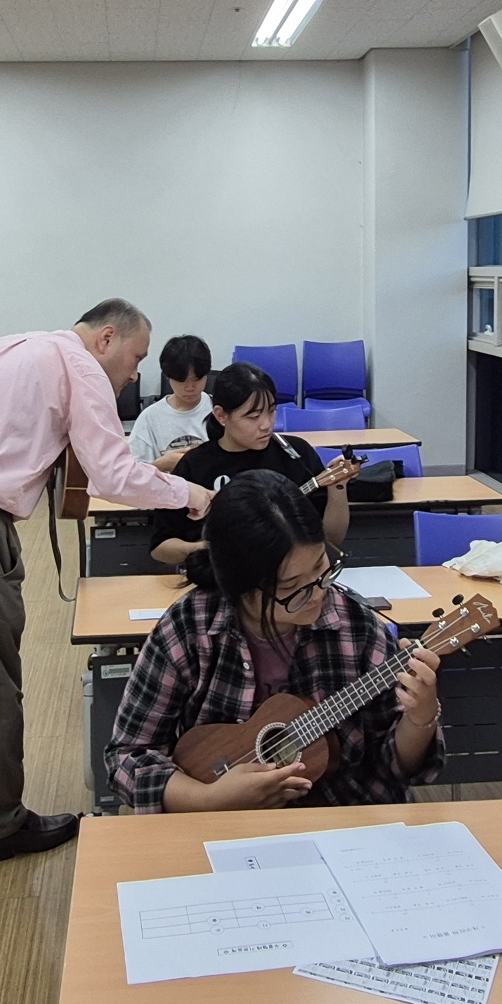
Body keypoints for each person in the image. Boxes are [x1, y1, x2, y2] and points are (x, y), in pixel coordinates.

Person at [0, 299, 213, 867]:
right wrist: (191, 494)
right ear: (106, 338)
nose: (134, 374)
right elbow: (111, 474)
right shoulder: (80, 365)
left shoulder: (7, 346)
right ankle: (0, 824)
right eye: (136, 358)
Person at [107, 470, 443, 812]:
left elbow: (394, 768)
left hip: (341, 816)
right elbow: (127, 756)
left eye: (321, 568)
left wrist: (420, 718)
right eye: (291, 587)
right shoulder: (191, 626)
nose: (317, 594)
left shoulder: (354, 624)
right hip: (221, 824)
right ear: (238, 587)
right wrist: (210, 799)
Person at [149, 360, 352, 567]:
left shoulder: (296, 453)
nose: (267, 424)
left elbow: (332, 539)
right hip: (220, 577)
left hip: (288, 575)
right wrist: (207, 550)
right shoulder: (195, 464)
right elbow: (160, 548)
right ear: (221, 415)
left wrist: (338, 488)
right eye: (253, 416)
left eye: (271, 411)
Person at [128, 334, 212, 473]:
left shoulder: (219, 410)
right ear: (168, 377)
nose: (189, 387)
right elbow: (134, 473)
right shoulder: (150, 418)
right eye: (181, 381)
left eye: (196, 379)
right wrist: (161, 465)